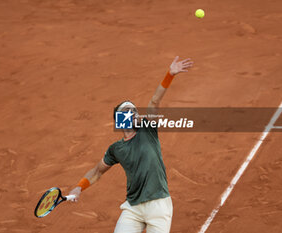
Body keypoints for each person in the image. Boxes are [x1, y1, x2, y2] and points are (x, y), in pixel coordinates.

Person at [69, 56, 193, 233]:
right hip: (133, 208)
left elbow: (154, 102)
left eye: (134, 110)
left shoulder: (147, 129)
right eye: (128, 112)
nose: (134, 113)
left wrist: (170, 74)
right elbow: (97, 171)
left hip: (158, 206)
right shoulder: (115, 149)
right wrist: (79, 187)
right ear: (120, 121)